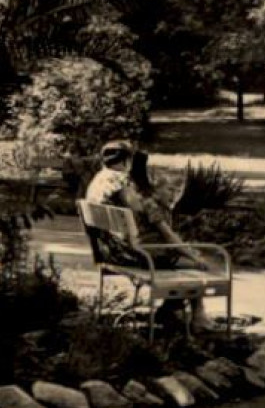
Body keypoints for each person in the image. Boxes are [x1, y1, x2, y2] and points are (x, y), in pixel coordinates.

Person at [86, 140, 211, 333]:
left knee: (178, 257)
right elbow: (136, 206)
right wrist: (149, 203)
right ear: (127, 160)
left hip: (109, 250)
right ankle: (195, 317)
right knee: (194, 265)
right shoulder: (119, 180)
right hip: (133, 255)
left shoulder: (97, 180)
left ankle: (171, 311)